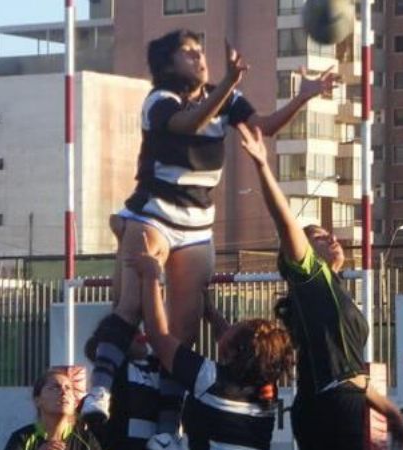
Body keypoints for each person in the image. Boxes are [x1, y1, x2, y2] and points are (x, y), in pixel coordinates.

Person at [83, 27, 337, 441]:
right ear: (167, 64)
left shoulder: (227, 97)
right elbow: (188, 124)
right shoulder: (160, 100)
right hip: (154, 211)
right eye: (188, 53)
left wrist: (303, 96)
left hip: (198, 224)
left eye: (200, 51)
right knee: (130, 304)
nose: (199, 58)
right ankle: (100, 390)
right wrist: (229, 84)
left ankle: (167, 429)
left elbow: (264, 127)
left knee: (180, 334)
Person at [238, 123, 403, 450]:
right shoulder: (310, 277)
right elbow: (285, 220)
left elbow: (349, 372)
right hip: (330, 407)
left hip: (344, 400)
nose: (330, 236)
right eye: (318, 236)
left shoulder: (333, 289)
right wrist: (263, 167)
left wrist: (390, 411)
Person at [128, 238, 294, 450]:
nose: (228, 327)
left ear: (235, 350)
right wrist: (210, 311)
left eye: (234, 326)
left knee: (161, 444)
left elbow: (158, 337)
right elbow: (231, 339)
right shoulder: (266, 388)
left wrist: (151, 277)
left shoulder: (209, 378)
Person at [82, 293, 229, 450]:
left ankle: (167, 435)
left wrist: (205, 309)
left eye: (138, 330)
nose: (140, 334)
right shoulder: (120, 370)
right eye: (133, 333)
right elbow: (114, 330)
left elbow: (174, 342)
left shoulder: (156, 365)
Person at [4, 367, 102, 450]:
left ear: (74, 403)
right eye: (55, 388)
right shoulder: (22, 438)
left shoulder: (86, 439)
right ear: (37, 400)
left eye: (68, 388)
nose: (63, 392)